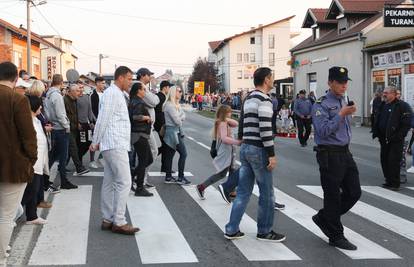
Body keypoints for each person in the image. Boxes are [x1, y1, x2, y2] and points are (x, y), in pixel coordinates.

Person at [225, 67, 285, 242]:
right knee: (267, 193)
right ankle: (264, 231)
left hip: (246, 148)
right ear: (266, 80)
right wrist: (271, 154)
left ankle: (232, 228)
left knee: (243, 192)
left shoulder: (249, 98)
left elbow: (242, 123)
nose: (273, 80)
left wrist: (243, 139)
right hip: (259, 149)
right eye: (271, 77)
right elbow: (265, 129)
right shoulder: (264, 100)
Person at [311, 66, 361, 250]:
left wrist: (347, 112)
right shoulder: (321, 103)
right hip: (329, 153)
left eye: (345, 82)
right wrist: (341, 114)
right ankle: (336, 235)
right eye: (340, 82)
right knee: (332, 196)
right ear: (330, 82)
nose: (343, 85)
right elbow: (323, 131)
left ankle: (325, 217)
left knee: (354, 192)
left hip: (345, 152)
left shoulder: (344, 100)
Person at [90, 66, 140, 235]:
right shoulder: (112, 93)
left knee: (110, 182)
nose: (130, 82)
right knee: (125, 181)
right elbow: (102, 119)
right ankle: (119, 220)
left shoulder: (117, 93)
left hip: (114, 143)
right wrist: (95, 141)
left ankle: (107, 219)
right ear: (120, 78)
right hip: (115, 143)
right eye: (129, 78)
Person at [0, 62, 37, 267]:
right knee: (5, 216)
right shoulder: (17, 99)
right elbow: (28, 135)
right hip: (12, 166)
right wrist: (31, 159)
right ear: (15, 79)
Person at [196, 105, 241, 202]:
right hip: (225, 152)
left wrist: (227, 119)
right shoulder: (222, 124)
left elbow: (236, 123)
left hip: (229, 151)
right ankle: (202, 187)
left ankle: (231, 191)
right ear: (225, 113)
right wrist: (238, 142)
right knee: (222, 174)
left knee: (232, 171)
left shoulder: (223, 122)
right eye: (229, 112)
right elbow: (224, 139)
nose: (231, 114)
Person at [372, 86, 412, 191]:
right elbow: (377, 118)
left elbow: (406, 123)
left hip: (396, 140)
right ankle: (388, 180)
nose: (384, 94)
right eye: (384, 92)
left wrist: (398, 136)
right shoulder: (383, 104)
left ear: (393, 94)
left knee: (393, 161)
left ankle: (394, 183)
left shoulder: (402, 106)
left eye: (386, 93)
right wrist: (376, 132)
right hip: (383, 139)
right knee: (384, 160)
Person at [44, 74, 78, 190]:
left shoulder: (48, 94)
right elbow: (60, 114)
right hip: (60, 128)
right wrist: (66, 126)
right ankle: (64, 181)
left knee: (53, 156)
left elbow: (48, 112)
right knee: (63, 157)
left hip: (53, 126)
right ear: (61, 82)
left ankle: (44, 180)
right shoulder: (57, 96)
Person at [20, 95, 48, 225]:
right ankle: (11, 216)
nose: (41, 107)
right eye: (39, 105)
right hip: (31, 162)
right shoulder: (27, 121)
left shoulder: (36, 120)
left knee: (34, 190)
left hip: (39, 161)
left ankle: (32, 216)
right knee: (29, 191)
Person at [129, 82, 153, 197]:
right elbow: (134, 117)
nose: (145, 91)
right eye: (144, 89)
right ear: (138, 90)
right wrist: (146, 117)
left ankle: (132, 174)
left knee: (149, 159)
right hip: (139, 135)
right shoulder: (137, 102)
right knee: (144, 160)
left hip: (141, 134)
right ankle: (139, 188)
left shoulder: (136, 100)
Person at [163, 86, 191, 185]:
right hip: (173, 132)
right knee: (183, 154)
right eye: (179, 91)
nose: (181, 93)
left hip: (174, 131)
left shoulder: (175, 105)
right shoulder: (170, 105)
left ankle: (168, 177)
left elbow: (183, 116)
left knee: (170, 155)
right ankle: (180, 177)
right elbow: (178, 121)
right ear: (173, 93)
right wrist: (181, 117)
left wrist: (180, 117)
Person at [137, 68, 159, 189]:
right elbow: (154, 101)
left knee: (148, 153)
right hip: (144, 126)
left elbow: (154, 100)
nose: (150, 77)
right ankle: (140, 178)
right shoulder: (139, 86)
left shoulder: (143, 86)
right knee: (151, 152)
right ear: (142, 75)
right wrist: (151, 95)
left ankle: (141, 178)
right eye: (148, 75)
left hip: (147, 126)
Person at [64, 84, 89, 176]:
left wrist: (77, 123)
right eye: (78, 91)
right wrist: (68, 125)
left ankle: (61, 166)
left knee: (69, 149)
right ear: (72, 91)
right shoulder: (65, 100)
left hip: (75, 127)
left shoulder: (74, 100)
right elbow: (65, 115)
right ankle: (79, 168)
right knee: (73, 148)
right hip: (68, 128)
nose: (80, 92)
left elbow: (75, 114)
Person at [155, 80, 173, 173]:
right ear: (165, 87)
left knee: (165, 146)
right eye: (168, 87)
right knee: (165, 146)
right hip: (161, 125)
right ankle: (151, 156)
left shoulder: (159, 96)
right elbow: (160, 113)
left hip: (159, 124)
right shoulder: (161, 97)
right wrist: (163, 125)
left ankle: (164, 167)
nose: (169, 89)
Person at [76, 82, 96, 165]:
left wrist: (92, 121)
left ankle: (79, 157)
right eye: (79, 88)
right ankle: (79, 162)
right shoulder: (75, 98)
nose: (81, 89)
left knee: (89, 142)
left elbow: (89, 110)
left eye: (82, 87)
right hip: (79, 125)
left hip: (86, 124)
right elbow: (74, 112)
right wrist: (77, 123)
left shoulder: (87, 97)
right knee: (81, 144)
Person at [89, 76, 106, 168]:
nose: (104, 85)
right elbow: (90, 109)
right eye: (102, 83)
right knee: (94, 140)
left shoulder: (105, 94)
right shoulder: (92, 95)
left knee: (105, 140)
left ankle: (101, 157)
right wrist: (92, 121)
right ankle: (91, 161)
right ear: (97, 83)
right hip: (95, 121)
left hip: (104, 121)